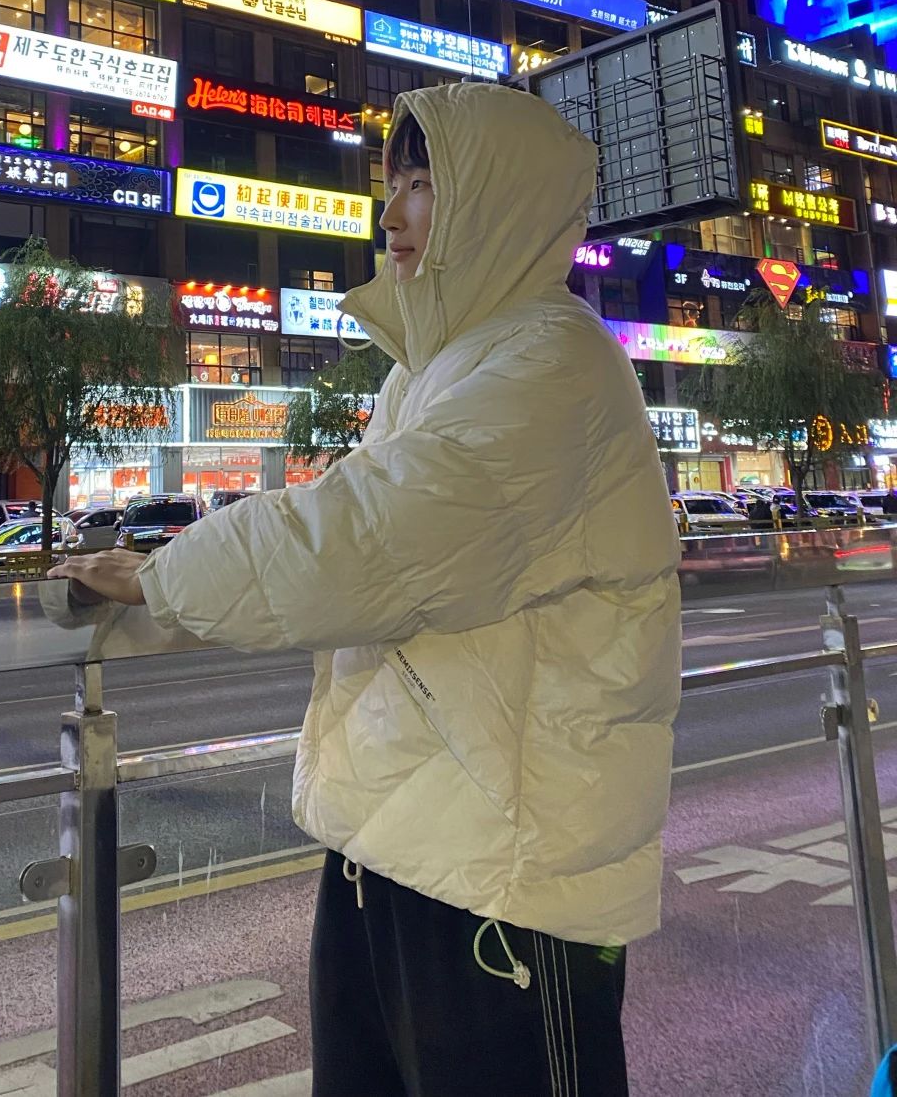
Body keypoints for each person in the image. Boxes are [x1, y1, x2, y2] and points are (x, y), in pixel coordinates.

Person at [48, 82, 681, 1096]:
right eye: (393, 185)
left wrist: (162, 576)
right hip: (390, 842)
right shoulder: (430, 370)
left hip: (506, 880)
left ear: (497, 204)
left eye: (423, 185)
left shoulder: (553, 363)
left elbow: (368, 538)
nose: (390, 215)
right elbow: (355, 532)